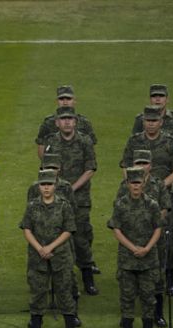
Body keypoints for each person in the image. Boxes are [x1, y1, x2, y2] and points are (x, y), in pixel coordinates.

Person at [121, 105, 173, 283]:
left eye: (154, 121)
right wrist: (136, 184)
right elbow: (125, 166)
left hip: (163, 194)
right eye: (148, 121)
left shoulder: (170, 142)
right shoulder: (134, 141)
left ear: (161, 122)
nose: (151, 124)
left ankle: (170, 278)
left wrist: (158, 185)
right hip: (137, 195)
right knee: (138, 234)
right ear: (143, 122)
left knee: (168, 238)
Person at [42, 105, 100, 295]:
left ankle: (88, 277)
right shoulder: (51, 142)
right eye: (63, 119)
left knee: (81, 238)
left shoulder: (85, 141)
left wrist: (71, 188)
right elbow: (47, 169)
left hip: (79, 199)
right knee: (55, 236)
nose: (67, 122)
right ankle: (57, 281)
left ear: (75, 121)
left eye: (70, 119)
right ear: (57, 122)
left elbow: (90, 168)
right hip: (55, 198)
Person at [20, 170, 80, 328]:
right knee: (37, 295)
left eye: (49, 184)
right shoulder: (32, 206)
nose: (46, 188)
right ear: (39, 186)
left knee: (65, 293)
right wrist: (40, 248)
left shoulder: (64, 205)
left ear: (55, 186)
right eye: (43, 185)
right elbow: (26, 228)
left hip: (60, 256)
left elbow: (68, 229)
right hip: (37, 257)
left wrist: (50, 247)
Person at [115, 150, 172, 326]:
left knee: (156, 277)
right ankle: (127, 317)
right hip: (130, 239)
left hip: (154, 238)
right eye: (138, 163)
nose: (141, 167)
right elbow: (118, 210)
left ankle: (158, 313)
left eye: (144, 163)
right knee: (127, 282)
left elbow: (165, 208)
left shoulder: (158, 184)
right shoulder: (125, 185)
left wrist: (152, 225)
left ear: (150, 165)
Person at [107, 166, 162, 328]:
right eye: (132, 182)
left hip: (148, 260)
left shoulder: (152, 204)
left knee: (148, 297)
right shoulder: (121, 204)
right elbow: (116, 229)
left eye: (138, 182)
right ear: (128, 184)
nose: (136, 186)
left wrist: (146, 248)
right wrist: (133, 248)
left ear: (143, 183)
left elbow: (158, 228)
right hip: (127, 260)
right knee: (127, 297)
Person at [36, 84, 98, 160]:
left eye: (68, 99)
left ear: (74, 101)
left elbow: (91, 152)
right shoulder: (48, 123)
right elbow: (41, 150)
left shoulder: (84, 123)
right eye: (61, 99)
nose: (65, 102)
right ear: (57, 101)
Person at [131, 84, 173, 155]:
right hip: (147, 163)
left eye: (161, 96)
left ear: (167, 99)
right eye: (154, 96)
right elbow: (135, 143)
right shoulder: (141, 119)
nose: (157, 99)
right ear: (150, 99)